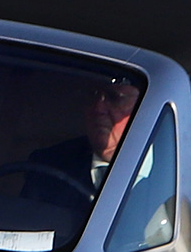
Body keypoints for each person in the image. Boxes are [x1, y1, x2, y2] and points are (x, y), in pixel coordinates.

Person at [18, 76, 142, 208]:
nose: (98, 109)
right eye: (92, 96)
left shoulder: (166, 168)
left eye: (114, 98)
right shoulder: (48, 166)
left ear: (143, 107)